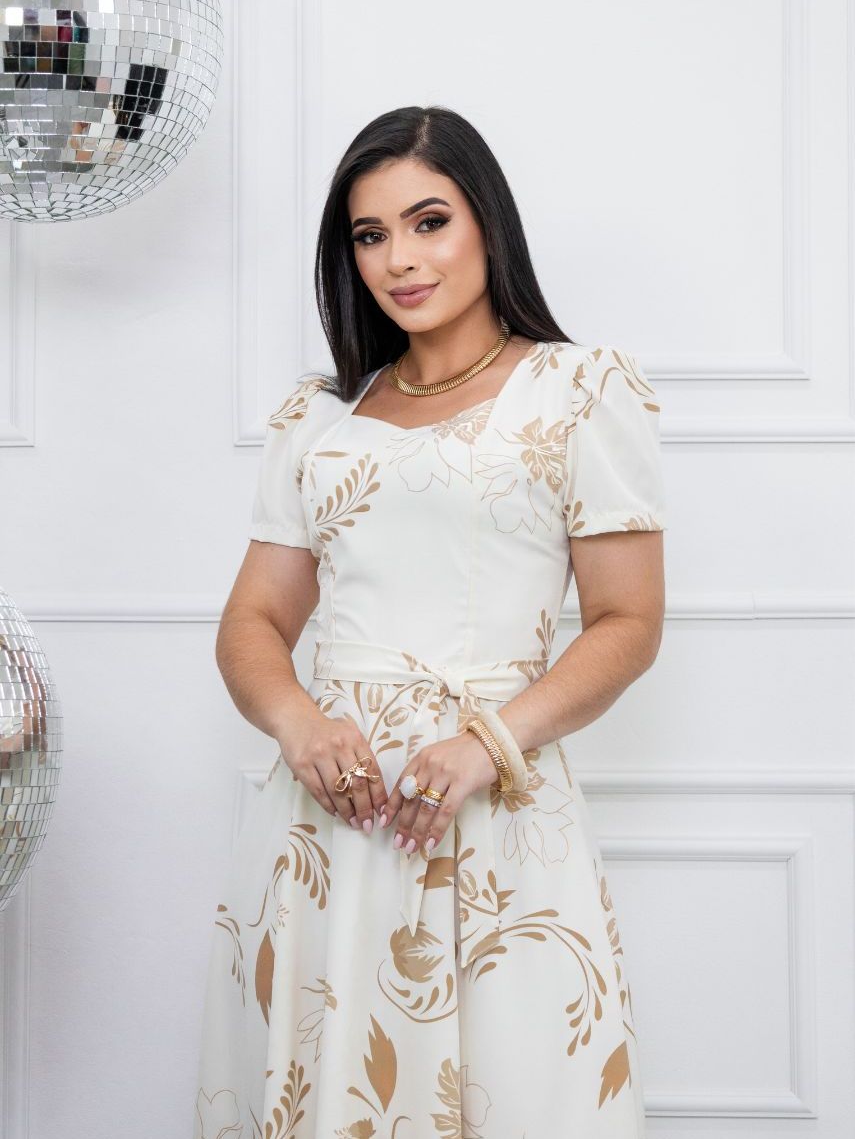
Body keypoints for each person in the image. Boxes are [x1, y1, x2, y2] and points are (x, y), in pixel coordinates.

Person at [193, 105, 666, 1139]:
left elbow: (628, 621)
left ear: (487, 222)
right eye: (370, 235)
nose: (399, 259)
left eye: (428, 222)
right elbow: (253, 622)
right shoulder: (320, 420)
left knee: (518, 1090)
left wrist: (487, 744)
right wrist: (299, 724)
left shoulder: (578, 391)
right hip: (329, 820)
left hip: (494, 810)